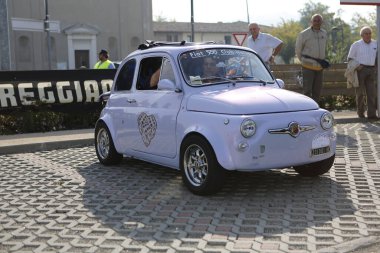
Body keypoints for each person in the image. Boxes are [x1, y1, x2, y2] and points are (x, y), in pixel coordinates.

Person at [347, 26, 378, 120]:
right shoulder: (356, 44)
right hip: (360, 70)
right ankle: (360, 113)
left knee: (371, 93)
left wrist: (376, 67)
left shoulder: (376, 43)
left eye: (369, 33)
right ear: (361, 35)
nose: (368, 35)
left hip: (372, 70)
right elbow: (350, 58)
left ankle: (372, 115)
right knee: (360, 93)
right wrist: (357, 66)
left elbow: (377, 57)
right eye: (366, 33)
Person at [295, 14, 327, 103]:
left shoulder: (324, 33)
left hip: (319, 67)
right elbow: (298, 50)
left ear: (322, 22)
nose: (317, 22)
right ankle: (307, 110)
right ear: (311, 22)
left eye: (319, 20)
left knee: (317, 91)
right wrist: (304, 61)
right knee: (307, 91)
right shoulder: (303, 34)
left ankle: (316, 109)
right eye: (315, 20)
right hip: (307, 67)